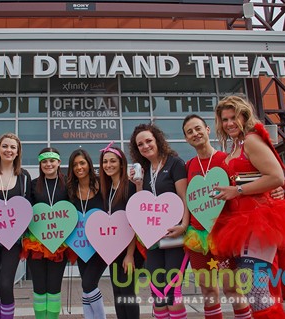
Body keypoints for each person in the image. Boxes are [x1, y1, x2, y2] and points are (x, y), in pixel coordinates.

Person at [210, 96, 285, 319]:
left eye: (233, 118)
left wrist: (237, 191)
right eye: (224, 119)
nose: (229, 123)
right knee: (252, 292)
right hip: (240, 224)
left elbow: (276, 177)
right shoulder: (237, 144)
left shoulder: (251, 140)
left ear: (244, 116)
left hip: (258, 222)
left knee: (257, 293)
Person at [181, 115, 252, 319]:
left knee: (233, 289)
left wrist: (277, 191)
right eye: (189, 132)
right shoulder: (189, 166)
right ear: (186, 138)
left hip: (225, 235)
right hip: (198, 238)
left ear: (208, 130)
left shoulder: (227, 160)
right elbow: (185, 199)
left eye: (198, 128)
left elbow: (245, 188)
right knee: (208, 292)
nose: (195, 134)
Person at [129, 123, 189, 319]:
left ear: (158, 140)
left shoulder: (175, 163)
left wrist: (184, 225)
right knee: (157, 293)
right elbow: (142, 205)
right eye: (140, 144)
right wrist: (138, 185)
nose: (145, 146)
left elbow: (184, 197)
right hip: (153, 240)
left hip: (174, 237)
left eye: (148, 141)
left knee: (172, 292)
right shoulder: (144, 170)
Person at [0, 133, 31, 319]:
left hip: (13, 239)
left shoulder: (24, 176)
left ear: (18, 153)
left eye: (12, 147)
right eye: (5, 146)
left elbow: (28, 207)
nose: (8, 150)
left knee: (5, 284)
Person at [22, 147, 71, 319]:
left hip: (59, 244)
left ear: (58, 162)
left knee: (54, 287)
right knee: (39, 287)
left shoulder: (68, 184)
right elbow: (27, 211)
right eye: (44, 161)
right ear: (40, 164)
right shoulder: (33, 184)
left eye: (52, 160)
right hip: (36, 243)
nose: (48, 164)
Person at [99, 142, 143, 319]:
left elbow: (133, 223)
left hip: (129, 251)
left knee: (127, 293)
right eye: (105, 161)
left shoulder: (130, 186)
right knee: (118, 292)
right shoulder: (107, 188)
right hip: (114, 250)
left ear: (121, 163)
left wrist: (130, 254)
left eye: (112, 161)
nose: (108, 165)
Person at [67, 148, 107, 319]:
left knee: (89, 283)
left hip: (103, 245)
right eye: (75, 164)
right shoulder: (70, 190)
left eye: (82, 163)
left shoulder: (103, 184)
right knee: (86, 286)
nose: (79, 167)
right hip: (82, 246)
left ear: (89, 164)